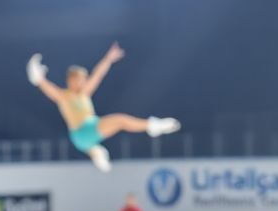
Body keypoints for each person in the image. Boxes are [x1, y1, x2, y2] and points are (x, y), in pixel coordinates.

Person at [27, 42, 180, 171]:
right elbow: (45, 86)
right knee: (120, 120)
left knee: (107, 132)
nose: (83, 82)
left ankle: (97, 153)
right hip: (81, 132)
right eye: (79, 79)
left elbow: (97, 75)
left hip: (88, 133)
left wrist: (108, 59)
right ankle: (153, 126)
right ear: (71, 81)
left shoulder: (84, 94)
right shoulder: (64, 96)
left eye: (83, 79)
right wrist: (38, 76)